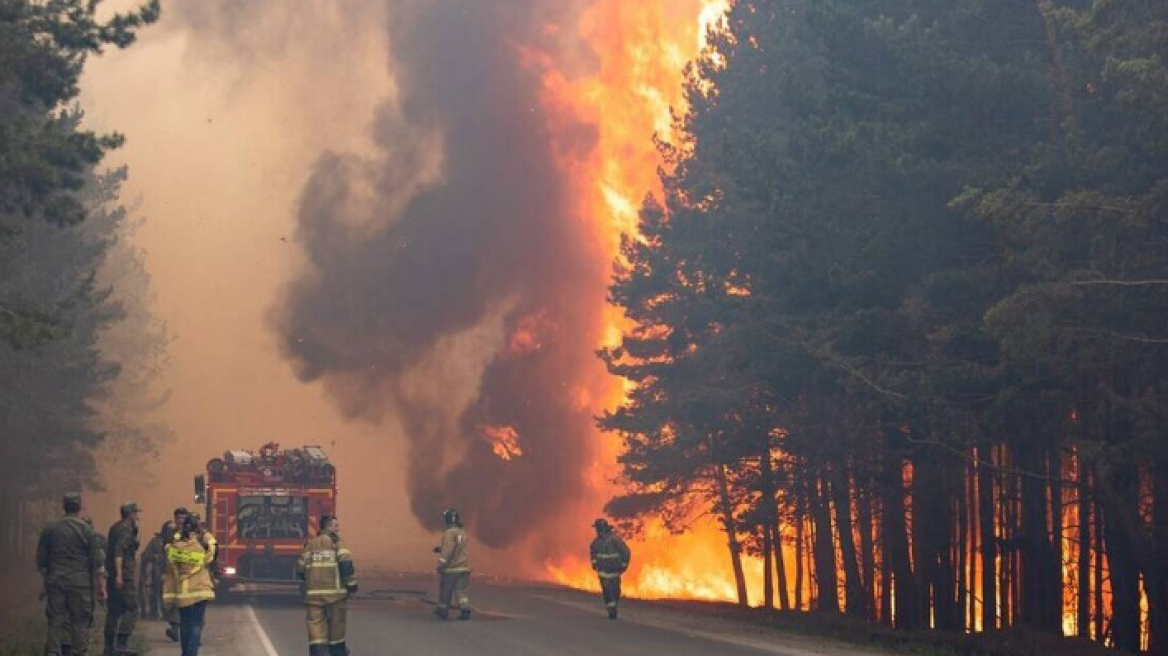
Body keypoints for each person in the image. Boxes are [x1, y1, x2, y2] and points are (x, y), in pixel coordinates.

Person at [37, 493, 107, 656]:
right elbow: (97, 561)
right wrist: (101, 587)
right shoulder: (86, 530)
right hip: (80, 583)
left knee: (55, 620)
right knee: (80, 620)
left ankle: (53, 652)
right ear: (79, 507)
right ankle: (79, 652)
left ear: (64, 506)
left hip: (56, 581)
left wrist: (45, 584)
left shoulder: (50, 529)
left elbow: (42, 560)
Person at [298, 515, 357, 656]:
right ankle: (337, 653)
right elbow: (346, 566)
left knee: (316, 630)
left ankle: (318, 653)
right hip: (335, 597)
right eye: (336, 526)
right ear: (328, 527)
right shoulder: (337, 543)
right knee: (336, 629)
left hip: (313, 598)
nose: (338, 529)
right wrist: (352, 585)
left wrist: (312, 582)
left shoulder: (310, 545)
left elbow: (300, 570)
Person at [163, 514, 215, 656]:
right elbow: (213, 549)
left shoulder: (175, 548)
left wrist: (178, 534)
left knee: (185, 624)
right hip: (201, 590)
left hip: (184, 592)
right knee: (196, 624)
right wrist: (204, 533)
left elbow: (166, 547)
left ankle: (185, 653)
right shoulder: (201, 548)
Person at [104, 503, 141, 655]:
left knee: (114, 610)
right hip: (123, 575)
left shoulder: (115, 527)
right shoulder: (125, 530)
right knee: (132, 608)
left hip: (112, 575)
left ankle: (109, 647)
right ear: (130, 514)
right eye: (135, 513)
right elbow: (119, 552)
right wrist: (120, 575)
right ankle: (121, 644)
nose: (137, 516)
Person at [433, 508, 471, 621]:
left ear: (447, 520)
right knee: (460, 590)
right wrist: (440, 548)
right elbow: (457, 547)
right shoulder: (462, 532)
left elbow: (448, 550)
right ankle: (465, 609)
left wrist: (441, 564)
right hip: (463, 567)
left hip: (451, 569)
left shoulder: (449, 533)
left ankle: (442, 611)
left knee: (445, 590)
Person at [589, 518, 631, 619]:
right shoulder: (595, 543)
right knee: (607, 591)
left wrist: (623, 565)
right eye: (597, 529)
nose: (597, 531)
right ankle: (612, 611)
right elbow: (593, 554)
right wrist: (594, 563)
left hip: (615, 571)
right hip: (603, 572)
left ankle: (613, 605)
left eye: (599, 528)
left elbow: (626, 552)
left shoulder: (615, 540)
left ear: (603, 528)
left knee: (616, 592)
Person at [138, 521, 171, 621]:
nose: (170, 532)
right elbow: (145, 555)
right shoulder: (156, 542)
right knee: (155, 593)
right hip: (157, 573)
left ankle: (169, 614)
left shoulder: (177, 541)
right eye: (168, 530)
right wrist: (156, 557)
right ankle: (154, 613)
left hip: (171, 573)